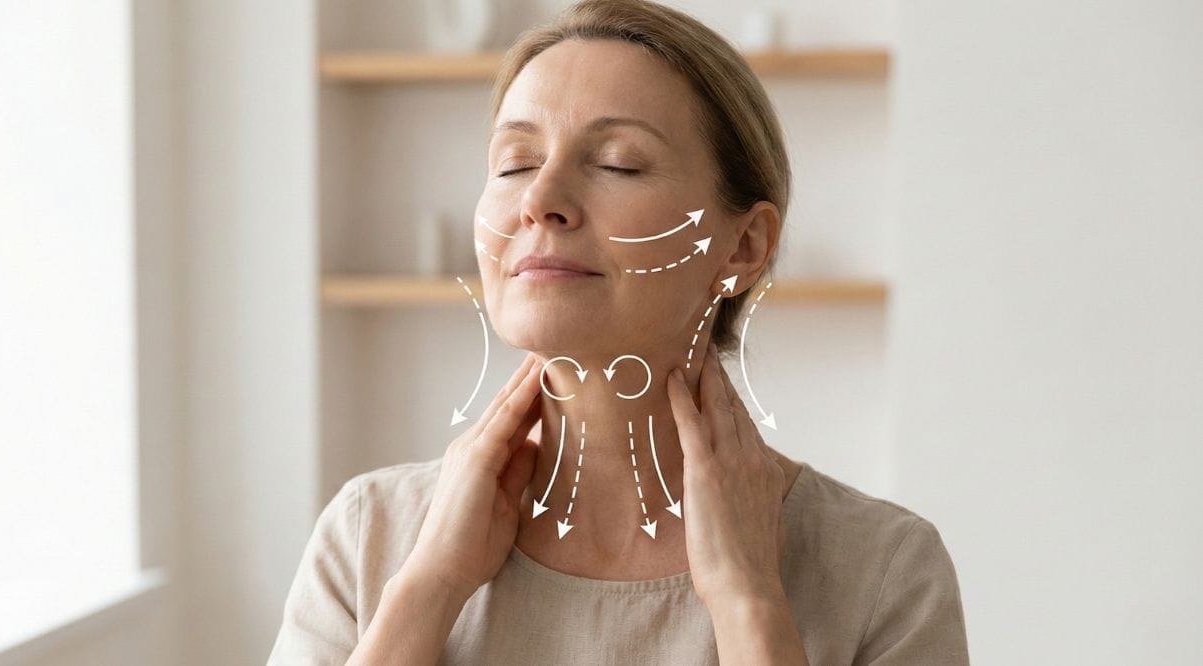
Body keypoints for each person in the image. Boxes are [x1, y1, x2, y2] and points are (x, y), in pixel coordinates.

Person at [269, 1, 969, 663]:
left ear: (742, 247)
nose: (539, 199)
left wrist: (747, 600)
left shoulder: (882, 570)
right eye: (514, 163)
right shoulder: (370, 536)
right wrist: (430, 587)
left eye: (617, 163)